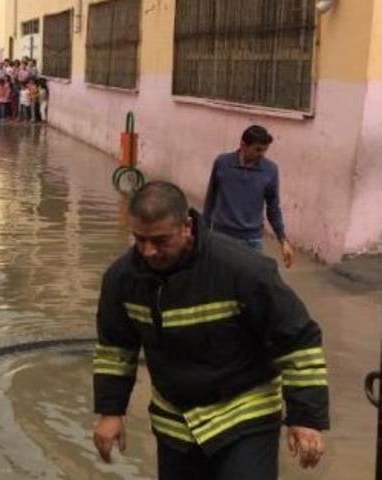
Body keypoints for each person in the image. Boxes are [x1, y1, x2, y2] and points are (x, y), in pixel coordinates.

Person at [92, 181, 328, 480]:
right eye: (140, 239)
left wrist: (305, 418)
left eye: (160, 240)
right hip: (174, 420)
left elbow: (297, 341)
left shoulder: (242, 269)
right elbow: (115, 349)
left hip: (243, 412)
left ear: (186, 226)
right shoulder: (122, 278)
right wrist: (111, 412)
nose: (148, 251)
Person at [203, 125, 294, 267]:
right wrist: (205, 231)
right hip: (222, 236)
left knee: (252, 283)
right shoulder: (222, 163)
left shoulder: (270, 170)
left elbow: (273, 207)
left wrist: (283, 240)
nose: (261, 154)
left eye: (264, 150)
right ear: (243, 145)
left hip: (251, 240)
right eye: (257, 149)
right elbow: (211, 198)